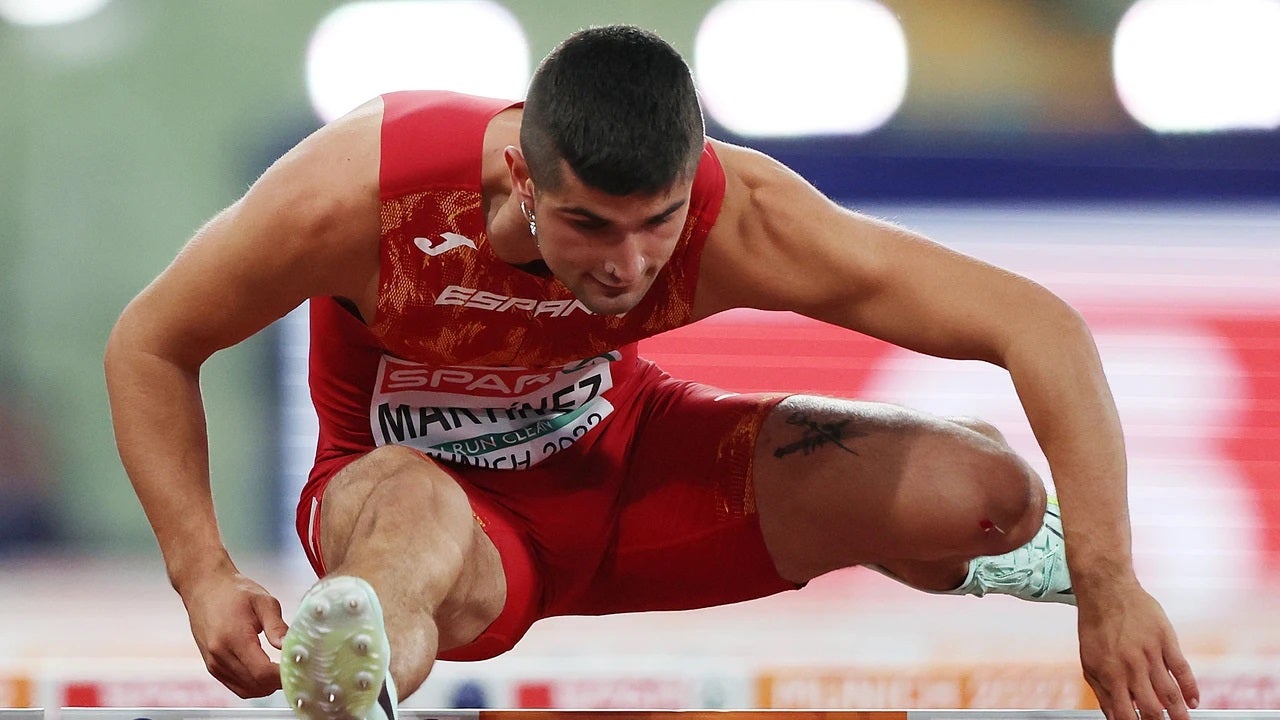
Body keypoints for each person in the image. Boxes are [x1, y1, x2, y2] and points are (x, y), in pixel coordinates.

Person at [105, 24, 1198, 720]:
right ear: (518, 175)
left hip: (629, 473)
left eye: (655, 225)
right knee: (410, 508)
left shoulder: (745, 220)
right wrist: (201, 570)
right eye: (585, 225)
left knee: (990, 494)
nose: (624, 265)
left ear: (689, 187)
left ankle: (1016, 554)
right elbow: (152, 343)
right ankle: (353, 684)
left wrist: (1108, 584)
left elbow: (1039, 326)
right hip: (437, 516)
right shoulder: (361, 197)